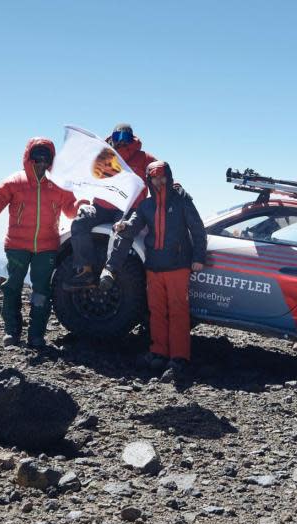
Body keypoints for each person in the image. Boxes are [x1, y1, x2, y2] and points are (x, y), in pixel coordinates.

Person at [0, 138, 82, 348]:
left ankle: (36, 335)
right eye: (37, 158)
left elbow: (70, 208)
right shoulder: (15, 182)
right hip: (16, 246)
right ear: (29, 158)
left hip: (46, 247)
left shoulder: (58, 185)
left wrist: (83, 205)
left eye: (46, 158)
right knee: (12, 287)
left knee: (41, 292)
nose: (41, 162)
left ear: (51, 161)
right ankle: (11, 332)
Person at [111, 161, 206, 381]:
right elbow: (134, 225)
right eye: (154, 177)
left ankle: (179, 358)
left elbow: (198, 230)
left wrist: (198, 258)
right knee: (156, 311)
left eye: (162, 177)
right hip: (153, 266)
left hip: (178, 266)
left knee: (178, 312)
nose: (159, 181)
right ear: (148, 180)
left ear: (169, 177)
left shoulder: (182, 201)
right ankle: (158, 353)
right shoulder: (146, 206)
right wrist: (124, 226)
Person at [65, 123, 158, 291]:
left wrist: (175, 186)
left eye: (126, 138)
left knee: (122, 229)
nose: (122, 142)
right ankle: (85, 271)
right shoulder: (103, 155)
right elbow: (85, 172)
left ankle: (110, 271)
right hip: (101, 205)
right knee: (80, 222)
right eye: (118, 137)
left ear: (132, 139)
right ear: (112, 137)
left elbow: (161, 171)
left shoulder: (144, 158)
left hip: (127, 208)